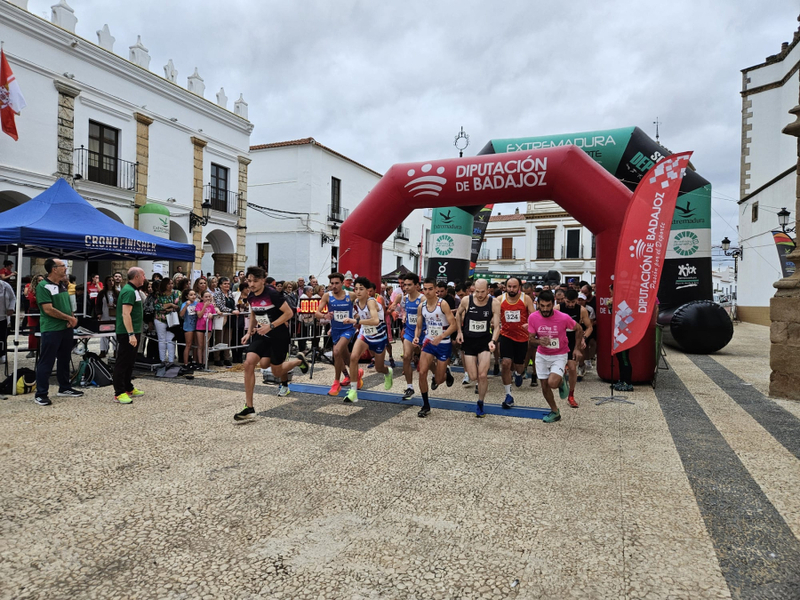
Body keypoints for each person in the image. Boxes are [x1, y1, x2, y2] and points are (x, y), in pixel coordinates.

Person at [234, 266, 309, 421]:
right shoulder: (251, 296)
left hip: (278, 336)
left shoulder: (272, 294)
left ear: (263, 280)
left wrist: (271, 325)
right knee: (249, 363)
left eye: (255, 281)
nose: (252, 284)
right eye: (249, 281)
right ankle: (249, 408)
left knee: (275, 371)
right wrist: (249, 332)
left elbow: (289, 313)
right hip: (262, 335)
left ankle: (298, 361)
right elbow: (254, 312)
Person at [32, 259, 83, 405]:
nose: (65, 268)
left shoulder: (62, 284)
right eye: (63, 266)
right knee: (46, 361)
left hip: (65, 328)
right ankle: (41, 393)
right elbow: (48, 309)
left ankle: (64, 387)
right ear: (54, 269)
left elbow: (66, 304)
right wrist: (69, 318)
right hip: (51, 329)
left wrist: (71, 318)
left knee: (64, 359)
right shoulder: (43, 286)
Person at [528, 290, 584, 423]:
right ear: (538, 305)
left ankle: (560, 382)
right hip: (542, 355)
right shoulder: (533, 318)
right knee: (544, 386)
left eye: (548, 306)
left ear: (553, 304)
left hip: (559, 354)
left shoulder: (563, 317)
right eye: (543, 306)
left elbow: (579, 329)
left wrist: (576, 348)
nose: (546, 309)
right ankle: (555, 411)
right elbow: (531, 339)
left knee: (552, 383)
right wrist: (538, 341)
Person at [342, 277, 392, 403]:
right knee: (353, 357)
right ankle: (353, 391)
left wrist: (356, 320)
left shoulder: (371, 302)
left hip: (379, 337)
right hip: (365, 335)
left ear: (368, 291)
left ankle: (388, 372)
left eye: (361, 289)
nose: (358, 291)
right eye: (356, 289)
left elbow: (375, 320)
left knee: (379, 368)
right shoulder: (357, 301)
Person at [456, 279, 500, 418]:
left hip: (484, 342)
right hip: (469, 341)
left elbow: (498, 326)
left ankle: (480, 402)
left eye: (482, 292)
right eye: (477, 291)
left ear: (488, 290)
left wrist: (493, 340)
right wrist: (459, 331)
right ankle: (474, 377)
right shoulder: (466, 301)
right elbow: (458, 314)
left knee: (482, 375)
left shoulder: (494, 303)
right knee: (474, 376)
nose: (480, 295)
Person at [413, 278, 456, 418]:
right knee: (421, 372)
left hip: (443, 343)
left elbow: (453, 325)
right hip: (428, 342)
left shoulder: (442, 304)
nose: (427, 292)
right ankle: (425, 405)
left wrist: (441, 336)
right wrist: (416, 336)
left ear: (436, 289)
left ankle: (446, 373)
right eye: (425, 289)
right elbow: (419, 325)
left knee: (439, 380)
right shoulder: (422, 306)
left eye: (430, 289)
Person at [498, 277, 536, 409]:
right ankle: (508, 395)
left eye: (514, 287)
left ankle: (519, 373)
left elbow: (533, 315)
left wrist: (530, 324)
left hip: (522, 338)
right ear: (505, 287)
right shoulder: (500, 299)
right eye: (509, 286)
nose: (511, 289)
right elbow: (494, 315)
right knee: (506, 363)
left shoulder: (526, 299)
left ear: (519, 287)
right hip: (506, 335)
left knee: (519, 366)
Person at [315, 272, 354, 396]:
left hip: (348, 329)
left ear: (342, 283)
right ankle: (353, 374)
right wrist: (324, 315)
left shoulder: (350, 295)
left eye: (337, 283)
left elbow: (363, 305)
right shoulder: (327, 296)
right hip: (336, 330)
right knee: (345, 357)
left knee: (336, 352)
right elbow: (317, 313)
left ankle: (336, 383)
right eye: (332, 283)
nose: (334, 286)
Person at [388, 273, 424, 401]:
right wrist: (395, 309)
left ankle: (443, 372)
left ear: (416, 286)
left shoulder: (423, 299)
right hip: (409, 332)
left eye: (409, 285)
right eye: (404, 285)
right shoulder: (403, 298)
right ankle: (410, 387)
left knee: (428, 362)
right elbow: (392, 308)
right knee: (407, 357)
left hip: (423, 333)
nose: (406, 287)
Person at [113, 267, 146, 404]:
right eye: (143, 275)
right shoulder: (128, 291)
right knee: (123, 361)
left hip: (134, 330)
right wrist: (131, 334)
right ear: (137, 276)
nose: (145, 277)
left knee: (130, 361)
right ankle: (119, 392)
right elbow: (125, 314)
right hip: (127, 332)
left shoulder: (134, 291)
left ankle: (128, 387)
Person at [556, 288, 593, 408]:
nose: (570, 305)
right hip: (559, 340)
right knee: (558, 369)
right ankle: (562, 380)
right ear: (564, 299)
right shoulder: (558, 308)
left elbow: (589, 327)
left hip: (573, 340)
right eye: (568, 302)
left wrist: (584, 338)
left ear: (577, 300)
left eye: (573, 302)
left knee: (572, 368)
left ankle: (571, 395)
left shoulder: (581, 310)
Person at [153, 277, 180, 367]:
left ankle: (171, 360)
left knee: (171, 340)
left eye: (172, 283)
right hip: (160, 319)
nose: (170, 285)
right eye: (168, 284)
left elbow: (178, 306)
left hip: (172, 319)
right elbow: (157, 307)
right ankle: (162, 359)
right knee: (162, 339)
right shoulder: (159, 294)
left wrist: (166, 307)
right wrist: (170, 305)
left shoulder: (177, 293)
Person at [195, 291, 217, 366]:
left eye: (209, 296)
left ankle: (205, 362)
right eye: (206, 297)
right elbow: (199, 315)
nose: (208, 298)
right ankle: (200, 362)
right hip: (200, 327)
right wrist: (204, 306)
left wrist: (212, 314)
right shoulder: (199, 305)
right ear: (202, 298)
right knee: (200, 345)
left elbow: (214, 314)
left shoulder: (212, 306)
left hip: (208, 327)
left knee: (206, 345)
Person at [24, 275, 43, 358]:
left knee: (42, 331)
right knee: (32, 331)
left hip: (42, 312)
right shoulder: (31, 289)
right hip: (33, 312)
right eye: (39, 280)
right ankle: (31, 350)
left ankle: (41, 349)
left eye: (42, 280)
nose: (41, 282)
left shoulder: (44, 289)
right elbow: (32, 299)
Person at [179, 288, 199, 366]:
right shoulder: (184, 304)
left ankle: (194, 361)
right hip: (188, 326)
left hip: (196, 326)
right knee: (188, 344)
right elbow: (181, 314)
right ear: (187, 296)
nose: (193, 296)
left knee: (195, 344)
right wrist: (186, 305)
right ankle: (186, 363)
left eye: (194, 294)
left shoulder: (197, 303)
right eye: (191, 295)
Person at [0, 277, 15, 366]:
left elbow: (13, 298)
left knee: (2, 336)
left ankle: (2, 354)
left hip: (3, 317)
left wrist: (11, 308)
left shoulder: (5, 286)